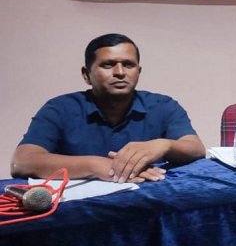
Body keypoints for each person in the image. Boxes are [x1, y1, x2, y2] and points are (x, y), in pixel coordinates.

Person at [11, 33, 205, 183]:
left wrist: (164, 144)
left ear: (139, 72)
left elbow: (196, 149)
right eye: (108, 65)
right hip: (80, 209)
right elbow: (22, 162)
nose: (120, 72)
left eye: (128, 65)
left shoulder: (163, 105)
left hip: (146, 204)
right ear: (86, 74)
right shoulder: (60, 108)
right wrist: (97, 165)